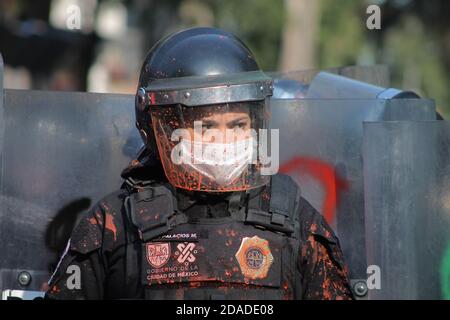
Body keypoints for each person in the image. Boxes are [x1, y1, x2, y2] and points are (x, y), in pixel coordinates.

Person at [45, 27, 354, 300]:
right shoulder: (115, 224)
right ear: (163, 129)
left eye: (237, 125)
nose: (223, 141)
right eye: (206, 127)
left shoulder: (296, 221)